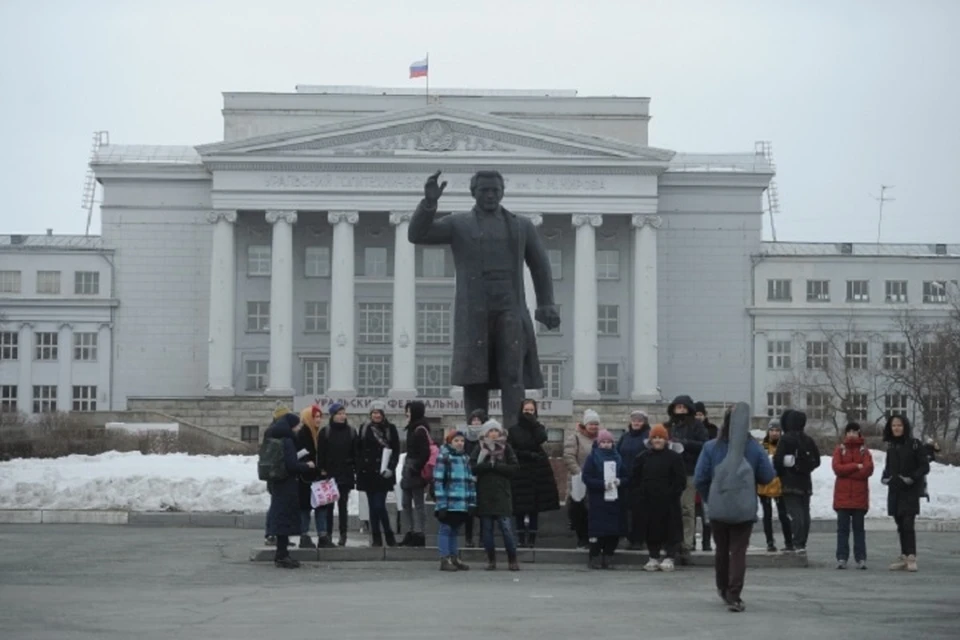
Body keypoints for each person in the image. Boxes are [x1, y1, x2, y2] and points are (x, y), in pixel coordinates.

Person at [408, 170, 560, 428]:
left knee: (512, 373)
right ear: (473, 193)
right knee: (474, 377)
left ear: (502, 192)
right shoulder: (459, 224)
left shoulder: (521, 225)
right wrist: (429, 204)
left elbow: (540, 265)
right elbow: (417, 235)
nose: (490, 195)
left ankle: (515, 435)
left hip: (509, 307)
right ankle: (475, 435)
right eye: (484, 191)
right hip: (474, 311)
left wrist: (546, 303)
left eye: (495, 190)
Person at [695, 403, 776, 613]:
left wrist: (711, 497)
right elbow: (768, 476)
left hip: (718, 507)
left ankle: (722, 588)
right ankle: (734, 593)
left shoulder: (711, 447)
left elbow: (700, 478)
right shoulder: (755, 448)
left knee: (721, 550)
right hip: (744, 508)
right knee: (738, 551)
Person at [263, 412, 316, 568]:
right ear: (291, 426)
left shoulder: (275, 437)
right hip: (287, 484)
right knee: (284, 519)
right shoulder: (287, 441)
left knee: (280, 516)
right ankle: (282, 554)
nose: (300, 428)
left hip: (277, 482)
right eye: (298, 425)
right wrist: (307, 466)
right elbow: (291, 465)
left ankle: (282, 553)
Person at [631, 424, 686, 572]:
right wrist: (640, 494)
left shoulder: (674, 458)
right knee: (651, 529)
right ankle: (653, 556)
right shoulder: (642, 457)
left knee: (671, 529)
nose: (657, 440)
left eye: (660, 438)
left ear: (666, 440)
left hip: (669, 502)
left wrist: (672, 493)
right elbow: (635, 478)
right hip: (648, 501)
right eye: (654, 437)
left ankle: (669, 556)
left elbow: (680, 481)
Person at [508, 399, 560, 548]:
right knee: (519, 507)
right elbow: (512, 450)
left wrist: (534, 424)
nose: (528, 413)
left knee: (534, 508)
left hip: (537, 471)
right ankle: (520, 538)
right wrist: (527, 455)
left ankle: (531, 539)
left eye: (531, 410)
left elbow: (541, 438)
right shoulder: (514, 429)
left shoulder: (538, 427)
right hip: (520, 470)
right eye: (526, 410)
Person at [882, 415, 930, 572]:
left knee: (908, 523)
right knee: (900, 524)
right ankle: (904, 555)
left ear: (905, 427)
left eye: (899, 425)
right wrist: (885, 478)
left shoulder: (914, 444)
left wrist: (912, 478)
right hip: (895, 490)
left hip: (909, 490)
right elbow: (888, 467)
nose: (896, 428)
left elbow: (924, 466)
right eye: (894, 425)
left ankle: (911, 557)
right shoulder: (891, 447)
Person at [471, 419, 520, 571]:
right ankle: (491, 559)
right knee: (487, 530)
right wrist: (487, 466)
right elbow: (472, 467)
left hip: (502, 494)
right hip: (485, 494)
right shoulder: (479, 448)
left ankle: (512, 558)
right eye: (490, 431)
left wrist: (497, 466)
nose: (493, 434)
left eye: (496, 431)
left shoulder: (506, 448)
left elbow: (514, 468)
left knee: (506, 528)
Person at [663, 395, 710, 557]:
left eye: (684, 407)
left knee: (687, 508)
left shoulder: (696, 426)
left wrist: (685, 443)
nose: (681, 410)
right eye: (678, 407)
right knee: (669, 508)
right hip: (669, 471)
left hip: (689, 470)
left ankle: (686, 543)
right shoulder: (668, 426)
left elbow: (704, 445)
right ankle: (670, 541)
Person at [773, 409, 820, 554]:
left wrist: (783, 471)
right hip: (805, 482)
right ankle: (802, 543)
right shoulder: (808, 440)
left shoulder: (786, 439)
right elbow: (816, 461)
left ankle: (796, 542)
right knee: (805, 512)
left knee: (795, 513)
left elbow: (777, 461)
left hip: (789, 483)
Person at [356, 401, 401, 548]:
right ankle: (376, 538)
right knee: (372, 507)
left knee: (379, 505)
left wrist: (391, 468)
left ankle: (388, 534)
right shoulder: (364, 428)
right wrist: (359, 467)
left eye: (379, 412)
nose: (376, 415)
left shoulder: (391, 428)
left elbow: (396, 450)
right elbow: (359, 449)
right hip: (367, 473)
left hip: (383, 473)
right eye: (374, 412)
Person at [581, 428, 627, 570]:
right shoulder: (592, 457)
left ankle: (608, 556)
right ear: (598, 443)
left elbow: (627, 477)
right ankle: (594, 556)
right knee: (597, 531)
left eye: (609, 442)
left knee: (613, 532)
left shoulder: (618, 457)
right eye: (603, 442)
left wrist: (619, 482)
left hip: (615, 500)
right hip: (598, 500)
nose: (606, 445)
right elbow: (586, 478)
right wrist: (602, 485)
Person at [832, 421, 874, 570]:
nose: (851, 434)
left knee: (859, 530)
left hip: (859, 497)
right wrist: (856, 466)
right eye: (849, 432)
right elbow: (837, 469)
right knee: (842, 530)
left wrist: (848, 471)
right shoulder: (840, 449)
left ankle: (861, 558)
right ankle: (841, 557)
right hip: (843, 498)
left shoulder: (865, 451)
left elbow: (867, 470)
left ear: (859, 433)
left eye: (854, 432)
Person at [434, 429, 477, 572]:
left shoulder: (465, 458)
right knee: (445, 529)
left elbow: (470, 481)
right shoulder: (444, 457)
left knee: (455, 530)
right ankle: (444, 558)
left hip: (462, 502)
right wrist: (441, 504)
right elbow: (439, 481)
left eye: (462, 441)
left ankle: (454, 557)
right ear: (450, 442)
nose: (459, 443)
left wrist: (472, 502)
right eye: (456, 441)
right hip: (448, 501)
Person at [316, 402, 358, 547]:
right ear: (333, 416)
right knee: (329, 507)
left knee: (343, 506)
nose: (342, 416)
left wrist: (354, 468)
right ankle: (327, 534)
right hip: (329, 474)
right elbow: (320, 453)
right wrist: (322, 469)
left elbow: (355, 453)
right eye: (339, 414)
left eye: (344, 413)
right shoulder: (325, 432)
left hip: (345, 473)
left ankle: (343, 534)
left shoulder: (351, 431)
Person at [295, 404, 331, 549]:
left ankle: (322, 535)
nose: (318, 419)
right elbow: (298, 455)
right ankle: (304, 536)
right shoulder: (302, 434)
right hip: (306, 478)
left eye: (320, 416)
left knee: (321, 506)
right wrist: (309, 465)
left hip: (319, 477)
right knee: (305, 508)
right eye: (315, 417)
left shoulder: (320, 434)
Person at [563, 409, 600, 549]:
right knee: (579, 510)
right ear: (585, 424)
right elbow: (568, 457)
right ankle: (582, 539)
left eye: (596, 424)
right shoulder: (575, 438)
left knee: (593, 510)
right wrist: (579, 473)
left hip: (595, 481)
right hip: (578, 480)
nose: (593, 427)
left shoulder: (602, 438)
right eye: (591, 424)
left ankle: (593, 538)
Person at [398, 401, 432, 547]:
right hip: (409, 468)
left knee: (418, 503)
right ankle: (410, 531)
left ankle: (420, 533)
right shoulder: (412, 428)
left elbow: (425, 452)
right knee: (406, 502)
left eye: (409, 411)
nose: (407, 413)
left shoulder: (419, 429)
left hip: (415, 471)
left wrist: (415, 467)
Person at [757, 419, 793, 553]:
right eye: (772, 430)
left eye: (777, 430)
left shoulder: (784, 446)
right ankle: (770, 542)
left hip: (780, 485)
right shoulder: (763, 447)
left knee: (784, 515)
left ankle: (789, 542)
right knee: (767, 516)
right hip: (764, 485)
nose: (774, 433)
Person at [616, 410, 651, 549]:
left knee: (640, 511)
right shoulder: (625, 437)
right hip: (625, 479)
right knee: (625, 510)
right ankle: (627, 537)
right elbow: (617, 454)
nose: (636, 422)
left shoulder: (647, 436)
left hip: (641, 479)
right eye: (634, 420)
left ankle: (639, 539)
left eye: (640, 420)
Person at [264, 401, 293, 546]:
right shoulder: (275, 431)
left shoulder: (271, 429)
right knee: (276, 505)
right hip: (276, 472)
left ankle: (278, 535)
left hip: (273, 472)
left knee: (276, 505)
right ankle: (271, 534)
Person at [462, 408, 487, 547]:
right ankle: (468, 538)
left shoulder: (487, 438)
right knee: (469, 511)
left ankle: (483, 538)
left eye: (479, 420)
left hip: (482, 478)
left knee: (483, 511)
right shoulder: (465, 438)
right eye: (473, 420)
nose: (476, 423)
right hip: (468, 478)